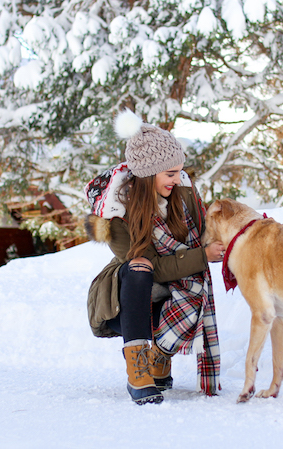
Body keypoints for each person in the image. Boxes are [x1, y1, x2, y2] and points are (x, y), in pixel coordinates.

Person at [83, 109, 225, 405]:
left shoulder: (183, 196)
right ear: (148, 174)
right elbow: (156, 267)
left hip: (174, 289)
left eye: (179, 171)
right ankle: (138, 371)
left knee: (194, 291)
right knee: (140, 268)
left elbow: (205, 231)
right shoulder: (118, 212)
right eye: (170, 173)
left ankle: (160, 354)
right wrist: (202, 256)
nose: (178, 178)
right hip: (129, 299)